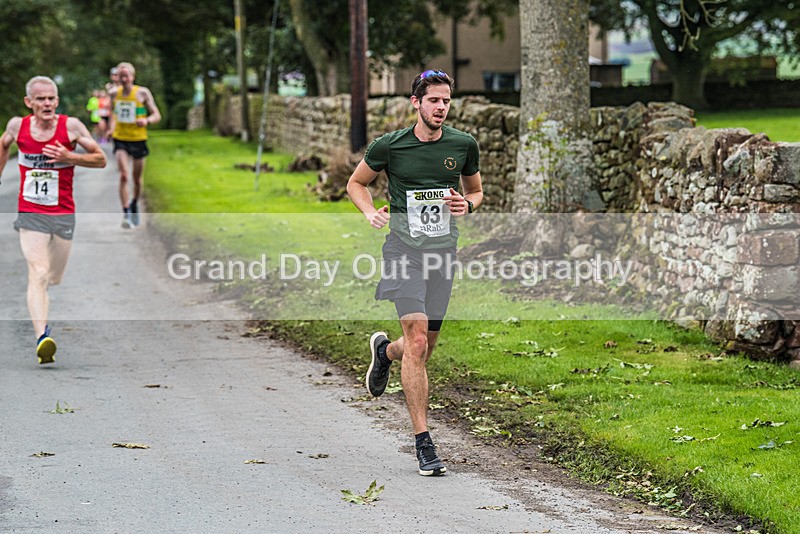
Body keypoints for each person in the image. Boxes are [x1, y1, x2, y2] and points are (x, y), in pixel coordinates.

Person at [346, 69, 483, 476]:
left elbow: (475, 190)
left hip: (443, 254)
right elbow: (356, 183)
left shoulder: (463, 145)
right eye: (434, 100)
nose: (441, 108)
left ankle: (386, 352)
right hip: (403, 251)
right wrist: (371, 211)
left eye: (446, 101)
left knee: (423, 349)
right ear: (416, 103)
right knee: (418, 339)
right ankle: (424, 443)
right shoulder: (391, 145)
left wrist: (468, 205)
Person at [0, 75, 106, 364]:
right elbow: (4, 143)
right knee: (38, 272)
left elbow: (100, 159)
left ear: (57, 101)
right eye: (40, 99)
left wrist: (69, 156)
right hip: (31, 212)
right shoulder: (16, 126)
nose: (46, 103)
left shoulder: (70, 127)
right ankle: (42, 337)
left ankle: (43, 322)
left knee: (53, 277)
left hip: (62, 213)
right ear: (29, 102)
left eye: (51, 98)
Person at [109, 62, 160, 229]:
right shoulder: (114, 94)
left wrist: (146, 120)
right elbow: (113, 114)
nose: (124, 79)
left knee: (137, 179)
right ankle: (126, 213)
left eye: (126, 76)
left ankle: (134, 203)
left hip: (138, 139)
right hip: (121, 138)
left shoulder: (142, 93)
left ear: (132, 76)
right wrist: (111, 129)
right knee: (124, 175)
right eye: (120, 76)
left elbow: (156, 115)